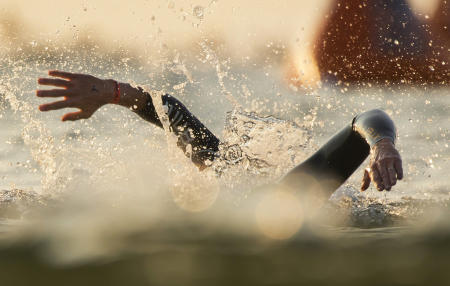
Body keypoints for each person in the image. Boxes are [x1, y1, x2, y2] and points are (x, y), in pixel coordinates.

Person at [36, 70, 403, 198]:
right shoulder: (221, 177)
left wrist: (382, 146)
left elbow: (370, 117)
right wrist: (112, 92)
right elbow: (171, 113)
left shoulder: (295, 193)